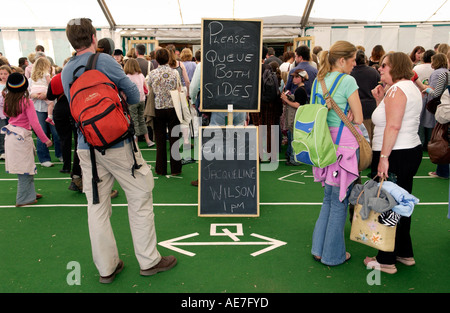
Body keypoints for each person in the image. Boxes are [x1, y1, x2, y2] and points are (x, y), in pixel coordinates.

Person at [61, 18, 176, 283]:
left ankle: (107, 268)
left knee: (97, 206)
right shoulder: (104, 62)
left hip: (86, 146)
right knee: (139, 198)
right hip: (118, 143)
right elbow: (134, 94)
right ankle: (149, 260)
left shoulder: (67, 70)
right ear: (93, 37)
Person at [366, 52, 423, 274]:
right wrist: (380, 100)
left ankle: (385, 259)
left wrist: (383, 158)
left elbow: (393, 126)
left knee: (387, 205)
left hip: (395, 154)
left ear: (396, 67)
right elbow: (392, 120)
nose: (380, 69)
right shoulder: (407, 88)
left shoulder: (398, 90)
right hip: (406, 151)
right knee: (401, 203)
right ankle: (403, 252)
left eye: (384, 66)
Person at [310, 40, 363, 266]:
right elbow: (359, 119)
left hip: (324, 146)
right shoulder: (347, 80)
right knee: (340, 201)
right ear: (342, 60)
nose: (354, 65)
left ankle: (319, 249)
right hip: (345, 148)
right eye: (352, 60)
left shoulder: (318, 81)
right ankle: (333, 255)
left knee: (329, 200)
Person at [1, 73, 53, 206]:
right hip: (21, 137)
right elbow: (35, 124)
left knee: (27, 166)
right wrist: (45, 139)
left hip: (12, 136)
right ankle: (23, 198)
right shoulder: (27, 102)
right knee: (25, 169)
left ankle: (29, 193)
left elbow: (7, 114)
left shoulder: (8, 100)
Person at [146, 47, 182, 176]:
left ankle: (160, 169)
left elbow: (149, 88)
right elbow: (179, 88)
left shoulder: (152, 73)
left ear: (156, 59)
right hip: (173, 108)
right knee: (174, 139)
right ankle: (176, 169)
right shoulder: (175, 73)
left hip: (158, 108)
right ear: (168, 58)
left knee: (160, 141)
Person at [30, 57, 61, 168]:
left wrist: (45, 95)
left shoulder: (49, 78)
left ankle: (60, 154)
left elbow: (54, 90)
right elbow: (29, 93)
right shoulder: (31, 79)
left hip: (50, 106)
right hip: (38, 108)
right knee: (41, 133)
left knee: (56, 133)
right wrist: (36, 95)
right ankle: (44, 158)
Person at [423, 53, 449, 179]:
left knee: (442, 139)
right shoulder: (445, 73)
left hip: (445, 111)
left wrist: (427, 89)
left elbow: (436, 93)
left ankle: (442, 171)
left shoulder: (444, 74)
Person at [350, 49, 381, 142]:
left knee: (362, 140)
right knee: (373, 137)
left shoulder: (350, 74)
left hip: (356, 109)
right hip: (372, 107)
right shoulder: (373, 72)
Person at [124, 58, 155, 147]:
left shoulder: (127, 77)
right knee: (142, 120)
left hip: (132, 102)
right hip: (142, 100)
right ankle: (148, 140)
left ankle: (135, 142)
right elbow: (146, 88)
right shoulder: (141, 75)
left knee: (134, 121)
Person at [280, 69, 308, 166]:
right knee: (292, 137)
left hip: (296, 117)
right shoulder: (299, 89)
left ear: (302, 79)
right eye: (293, 77)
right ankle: (291, 156)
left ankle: (294, 158)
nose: (294, 79)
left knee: (293, 138)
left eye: (297, 77)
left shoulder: (300, 90)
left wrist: (286, 100)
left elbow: (297, 105)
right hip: (296, 117)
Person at [30, 57, 55, 126]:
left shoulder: (33, 74)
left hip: (34, 90)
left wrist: (36, 95)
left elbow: (30, 88)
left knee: (33, 102)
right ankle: (50, 116)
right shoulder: (46, 73)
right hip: (43, 89)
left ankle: (37, 96)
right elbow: (49, 84)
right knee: (50, 103)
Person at [0, 65, 11, 160]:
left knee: (11, 131)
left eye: (5, 74)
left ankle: (11, 150)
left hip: (11, 111)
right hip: (1, 112)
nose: (3, 76)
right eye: (1, 74)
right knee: (2, 132)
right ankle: (3, 151)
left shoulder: (11, 84)